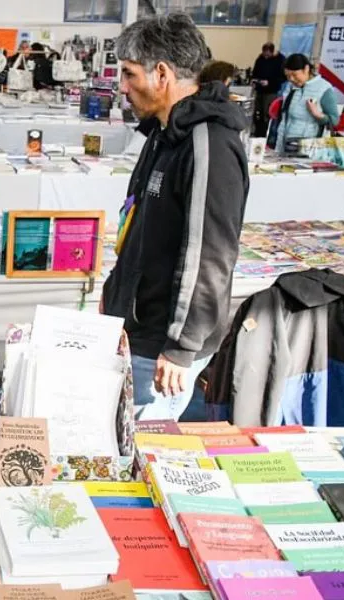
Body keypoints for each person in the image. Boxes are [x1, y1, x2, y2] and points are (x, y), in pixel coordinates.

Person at [101, 14, 249, 421]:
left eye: (129, 74)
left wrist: (182, 346)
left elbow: (209, 254)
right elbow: (139, 223)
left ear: (162, 74)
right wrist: (115, 292)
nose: (123, 87)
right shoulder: (163, 133)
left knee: (141, 441)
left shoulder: (209, 144)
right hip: (137, 324)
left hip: (163, 342)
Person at [275, 53, 339, 154]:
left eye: (294, 75)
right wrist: (278, 149)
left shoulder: (324, 88)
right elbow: (285, 119)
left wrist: (317, 114)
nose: (291, 79)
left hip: (310, 148)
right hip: (288, 144)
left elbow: (334, 121)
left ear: (306, 69)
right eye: (288, 76)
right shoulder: (291, 87)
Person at [252, 43, 286, 136]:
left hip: (271, 91)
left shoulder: (280, 60)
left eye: (267, 55)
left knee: (267, 114)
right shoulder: (260, 58)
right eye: (264, 54)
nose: (266, 57)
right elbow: (255, 72)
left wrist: (270, 82)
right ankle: (257, 133)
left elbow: (283, 77)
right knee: (257, 113)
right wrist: (254, 80)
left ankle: (265, 135)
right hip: (259, 90)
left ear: (272, 52)